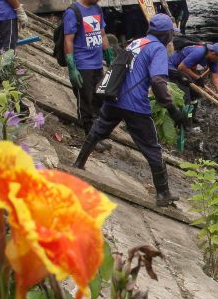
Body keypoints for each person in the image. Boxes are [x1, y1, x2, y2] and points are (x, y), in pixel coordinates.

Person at [74, 14, 190, 207]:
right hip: (136, 104)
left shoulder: (136, 42)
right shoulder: (158, 49)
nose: (172, 37)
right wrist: (172, 110)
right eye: (171, 33)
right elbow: (158, 81)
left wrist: (175, 73)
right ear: (166, 34)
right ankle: (163, 193)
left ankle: (79, 163)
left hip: (115, 96)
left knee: (98, 130)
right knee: (152, 147)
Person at [64, 0, 114, 139]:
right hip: (83, 65)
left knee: (98, 100)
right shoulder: (73, 12)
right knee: (85, 102)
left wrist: (109, 55)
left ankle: (96, 134)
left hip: (97, 64)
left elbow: (102, 33)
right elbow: (68, 40)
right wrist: (72, 67)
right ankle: (89, 136)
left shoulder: (97, 10)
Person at [168, 42, 218, 120]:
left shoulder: (213, 60)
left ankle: (190, 117)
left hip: (186, 70)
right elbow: (181, 67)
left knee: (195, 94)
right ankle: (183, 122)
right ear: (213, 53)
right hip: (173, 68)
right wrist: (197, 78)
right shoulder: (199, 52)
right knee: (185, 96)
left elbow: (215, 77)